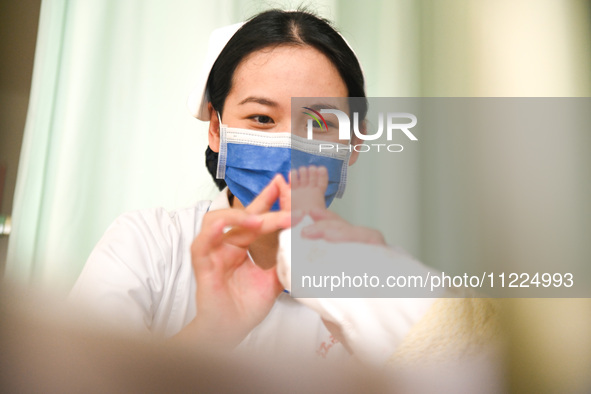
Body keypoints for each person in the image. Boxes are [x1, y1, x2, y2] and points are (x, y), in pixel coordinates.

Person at [71, 9, 499, 366]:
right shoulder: (145, 245)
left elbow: (474, 361)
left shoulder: (381, 285)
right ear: (217, 129)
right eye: (261, 118)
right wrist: (211, 333)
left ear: (353, 144)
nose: (290, 146)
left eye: (320, 124)